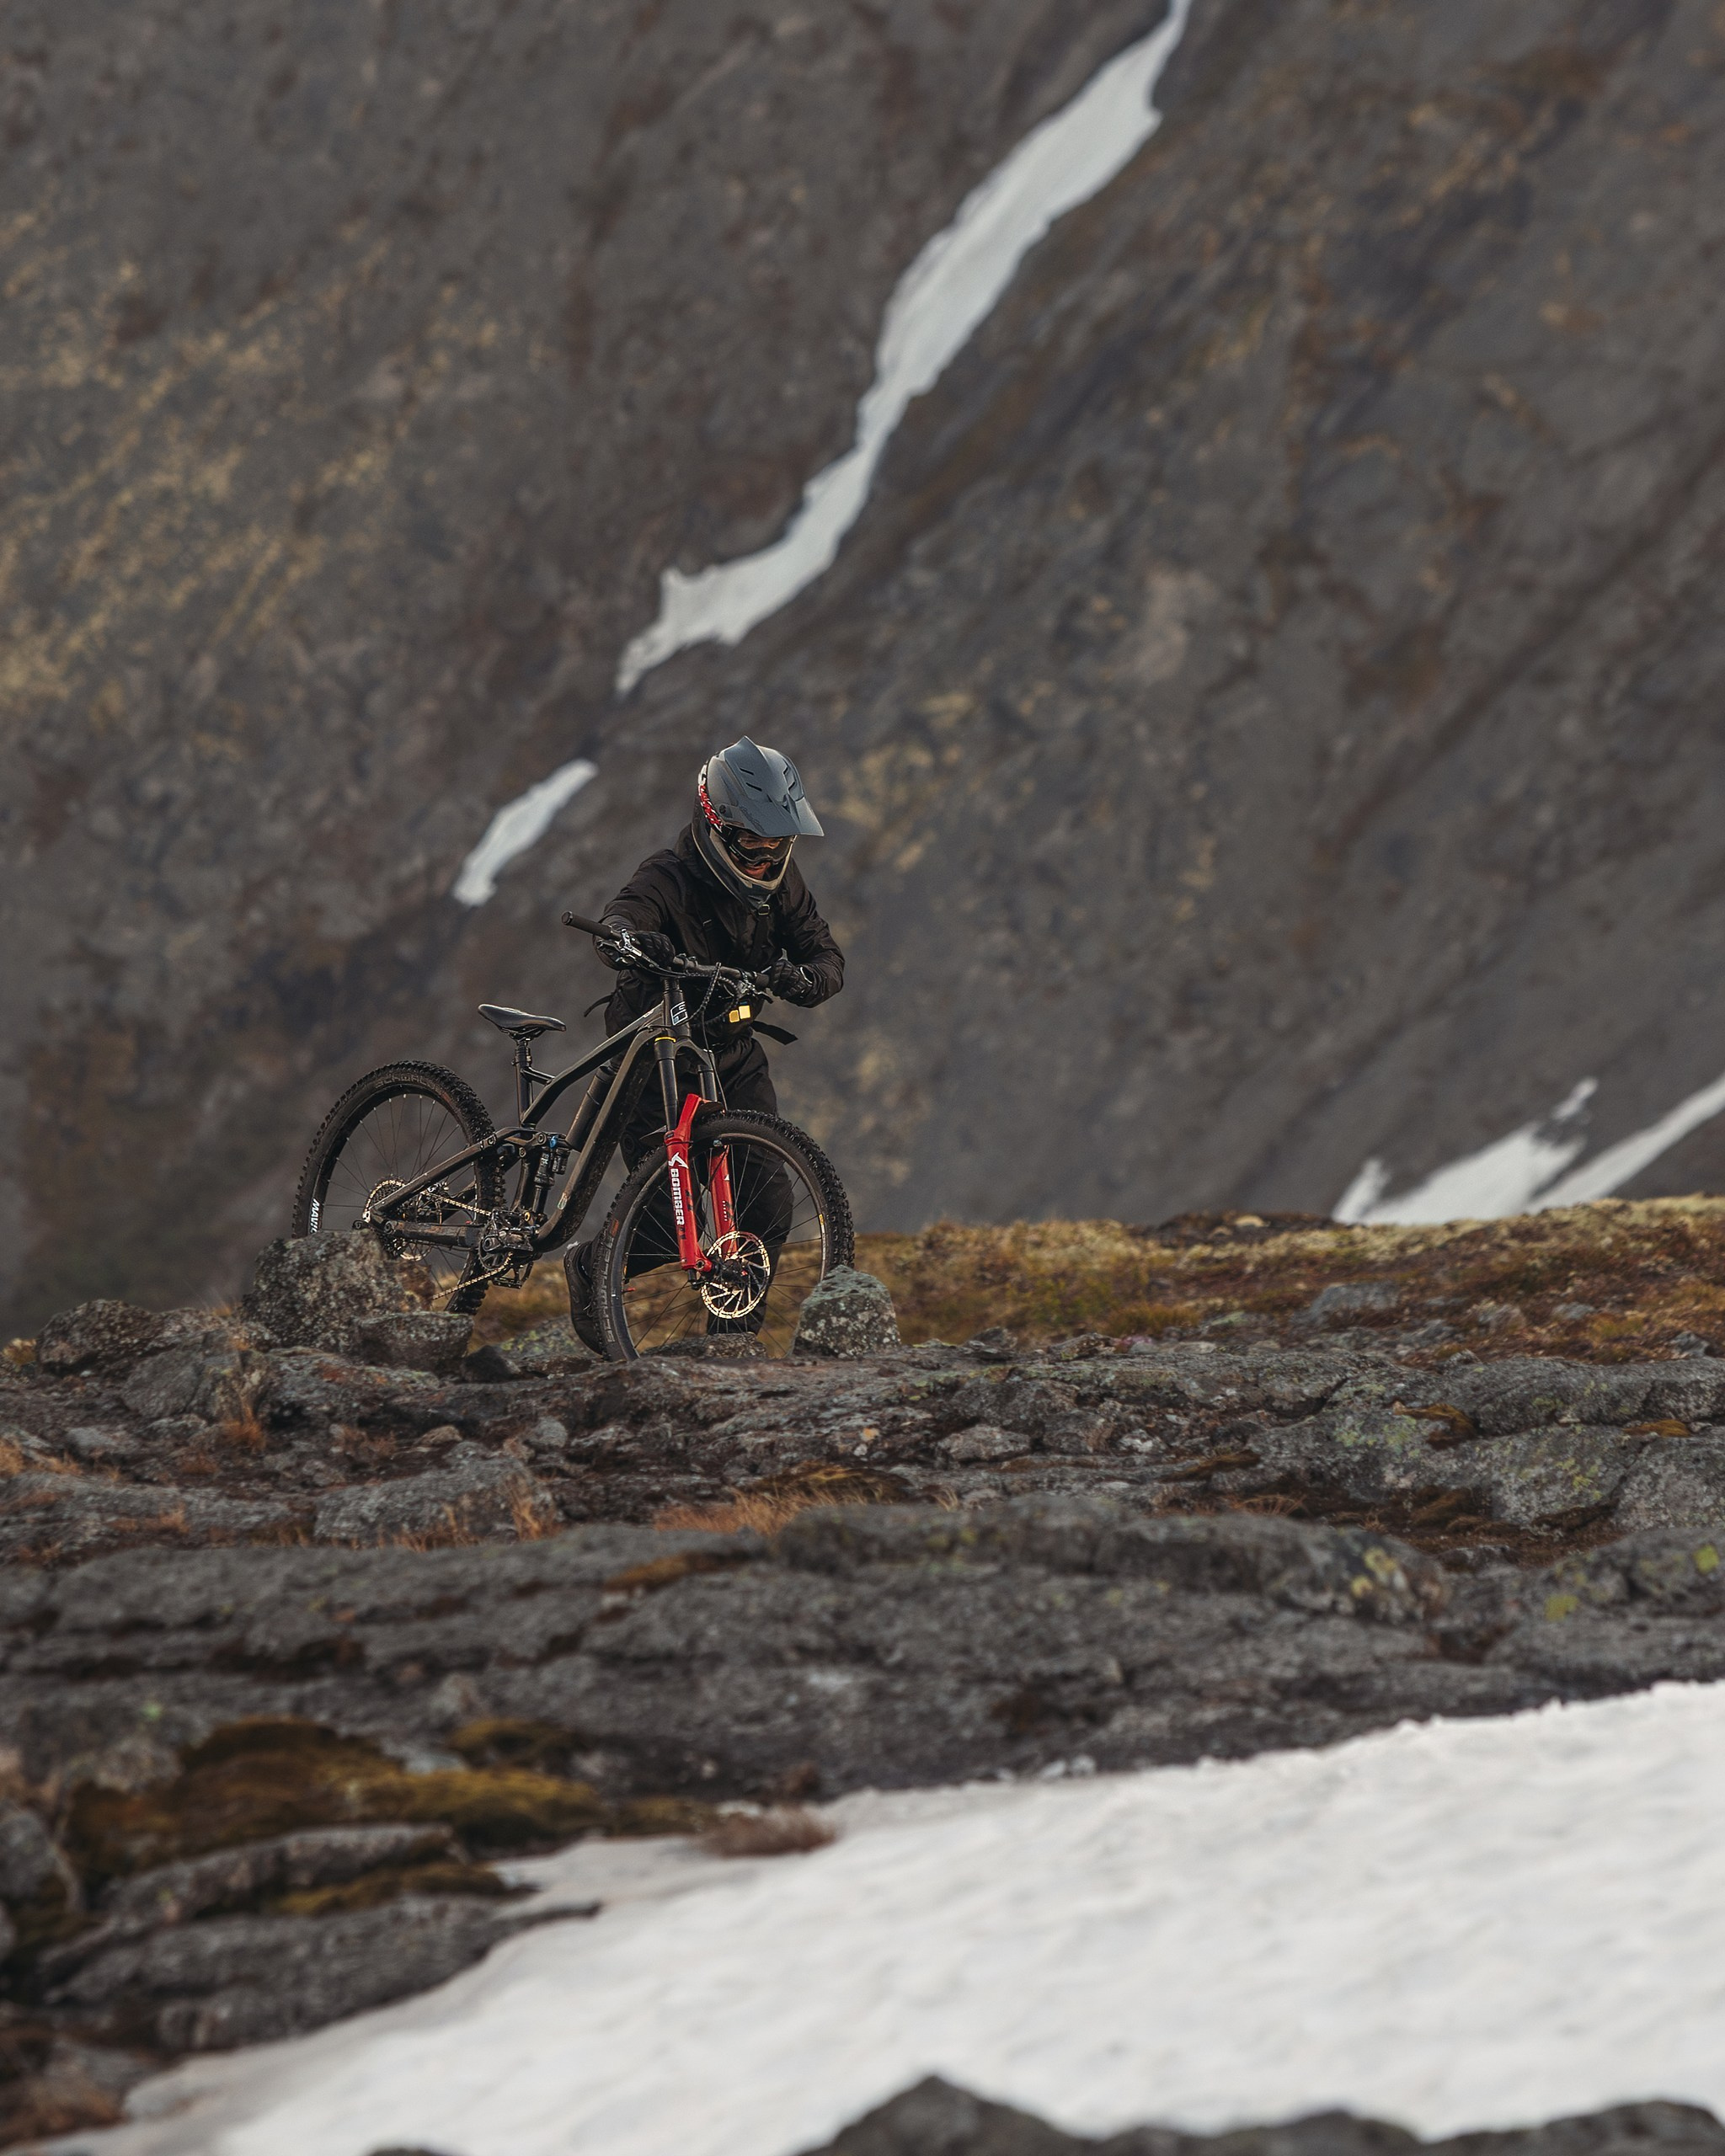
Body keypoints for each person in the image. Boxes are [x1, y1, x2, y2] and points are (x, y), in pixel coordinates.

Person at [564, 736, 844, 1348]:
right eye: (753, 843)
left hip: (733, 1054)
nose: (766, 858)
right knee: (668, 1217)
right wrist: (632, 941)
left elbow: (827, 957)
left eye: (778, 845)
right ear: (717, 827)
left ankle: (728, 1347)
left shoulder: (783, 884)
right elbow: (619, 920)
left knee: (767, 1209)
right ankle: (590, 1267)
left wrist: (803, 979)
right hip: (655, 1058)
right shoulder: (668, 875)